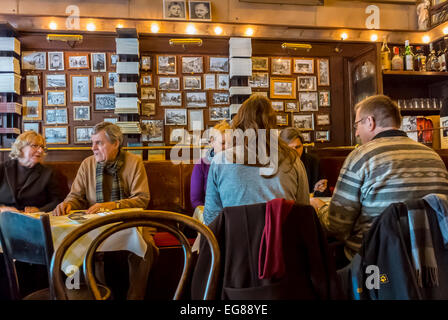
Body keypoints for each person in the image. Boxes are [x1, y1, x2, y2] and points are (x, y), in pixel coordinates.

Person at [312, 95, 448, 264]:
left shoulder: (362, 156)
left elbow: (337, 226)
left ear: (370, 121)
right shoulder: (433, 156)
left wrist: (321, 208)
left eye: (357, 124)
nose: (356, 132)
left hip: (375, 263)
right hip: (431, 263)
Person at [203, 94, 310, 225]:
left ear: (239, 123)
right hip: (281, 243)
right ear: (272, 125)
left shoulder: (220, 161)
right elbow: (304, 212)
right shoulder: (293, 160)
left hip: (235, 243)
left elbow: (210, 218)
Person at [53, 121, 150, 215]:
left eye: (99, 143)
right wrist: (67, 204)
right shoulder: (87, 164)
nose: (93, 148)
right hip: (94, 221)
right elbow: (76, 197)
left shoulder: (134, 162)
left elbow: (142, 199)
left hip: (126, 221)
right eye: (92, 143)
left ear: (115, 144)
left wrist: (113, 205)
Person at [0, 131, 61, 213]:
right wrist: (2, 208)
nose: (40, 150)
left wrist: (39, 210)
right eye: (35, 146)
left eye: (42, 147)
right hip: (3, 219)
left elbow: (57, 201)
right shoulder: (2, 168)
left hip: (32, 219)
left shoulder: (48, 173)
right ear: (20, 147)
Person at [190, 120, 230, 211]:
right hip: (209, 214)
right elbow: (195, 201)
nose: (227, 147)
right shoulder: (202, 165)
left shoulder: (236, 163)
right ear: (212, 142)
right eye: (223, 143)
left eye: (230, 143)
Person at [280, 127, 330, 197]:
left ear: (303, 146)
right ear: (283, 148)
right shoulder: (279, 164)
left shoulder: (313, 161)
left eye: (298, 147)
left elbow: (325, 193)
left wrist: (319, 190)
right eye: (290, 148)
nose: (295, 152)